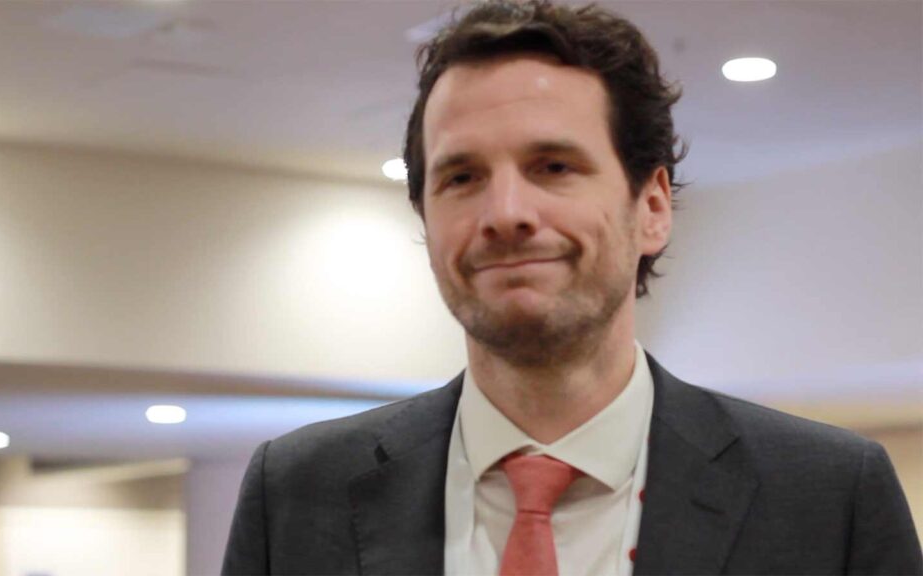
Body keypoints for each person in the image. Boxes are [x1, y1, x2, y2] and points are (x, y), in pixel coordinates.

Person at [221, 1, 922, 574]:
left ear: (652, 208)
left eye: (553, 166)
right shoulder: (296, 494)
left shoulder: (827, 498)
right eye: (461, 177)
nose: (505, 214)